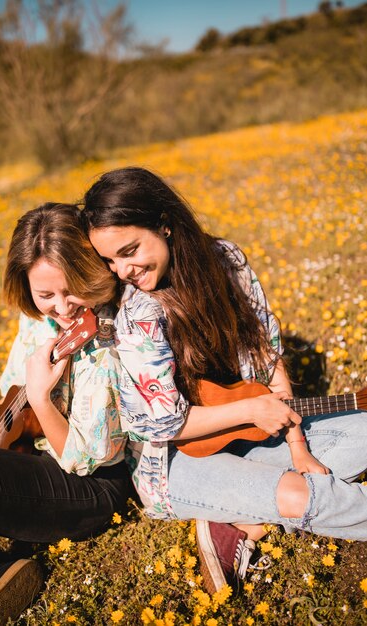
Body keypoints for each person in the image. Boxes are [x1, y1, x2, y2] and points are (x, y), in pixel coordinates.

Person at [82, 166, 367, 593]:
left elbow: (265, 353)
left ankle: (241, 521)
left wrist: (298, 445)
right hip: (174, 464)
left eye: (130, 250)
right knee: (305, 496)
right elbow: (162, 424)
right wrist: (253, 409)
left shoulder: (226, 261)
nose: (122, 270)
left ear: (165, 224)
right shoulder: (138, 314)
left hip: (250, 436)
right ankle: (256, 503)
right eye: (110, 260)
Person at [0, 203, 130, 625]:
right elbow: (11, 389)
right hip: (34, 454)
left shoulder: (108, 342)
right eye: (45, 294)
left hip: (92, 487)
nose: (63, 307)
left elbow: (85, 461)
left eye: (73, 289)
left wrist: (43, 399)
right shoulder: (35, 320)